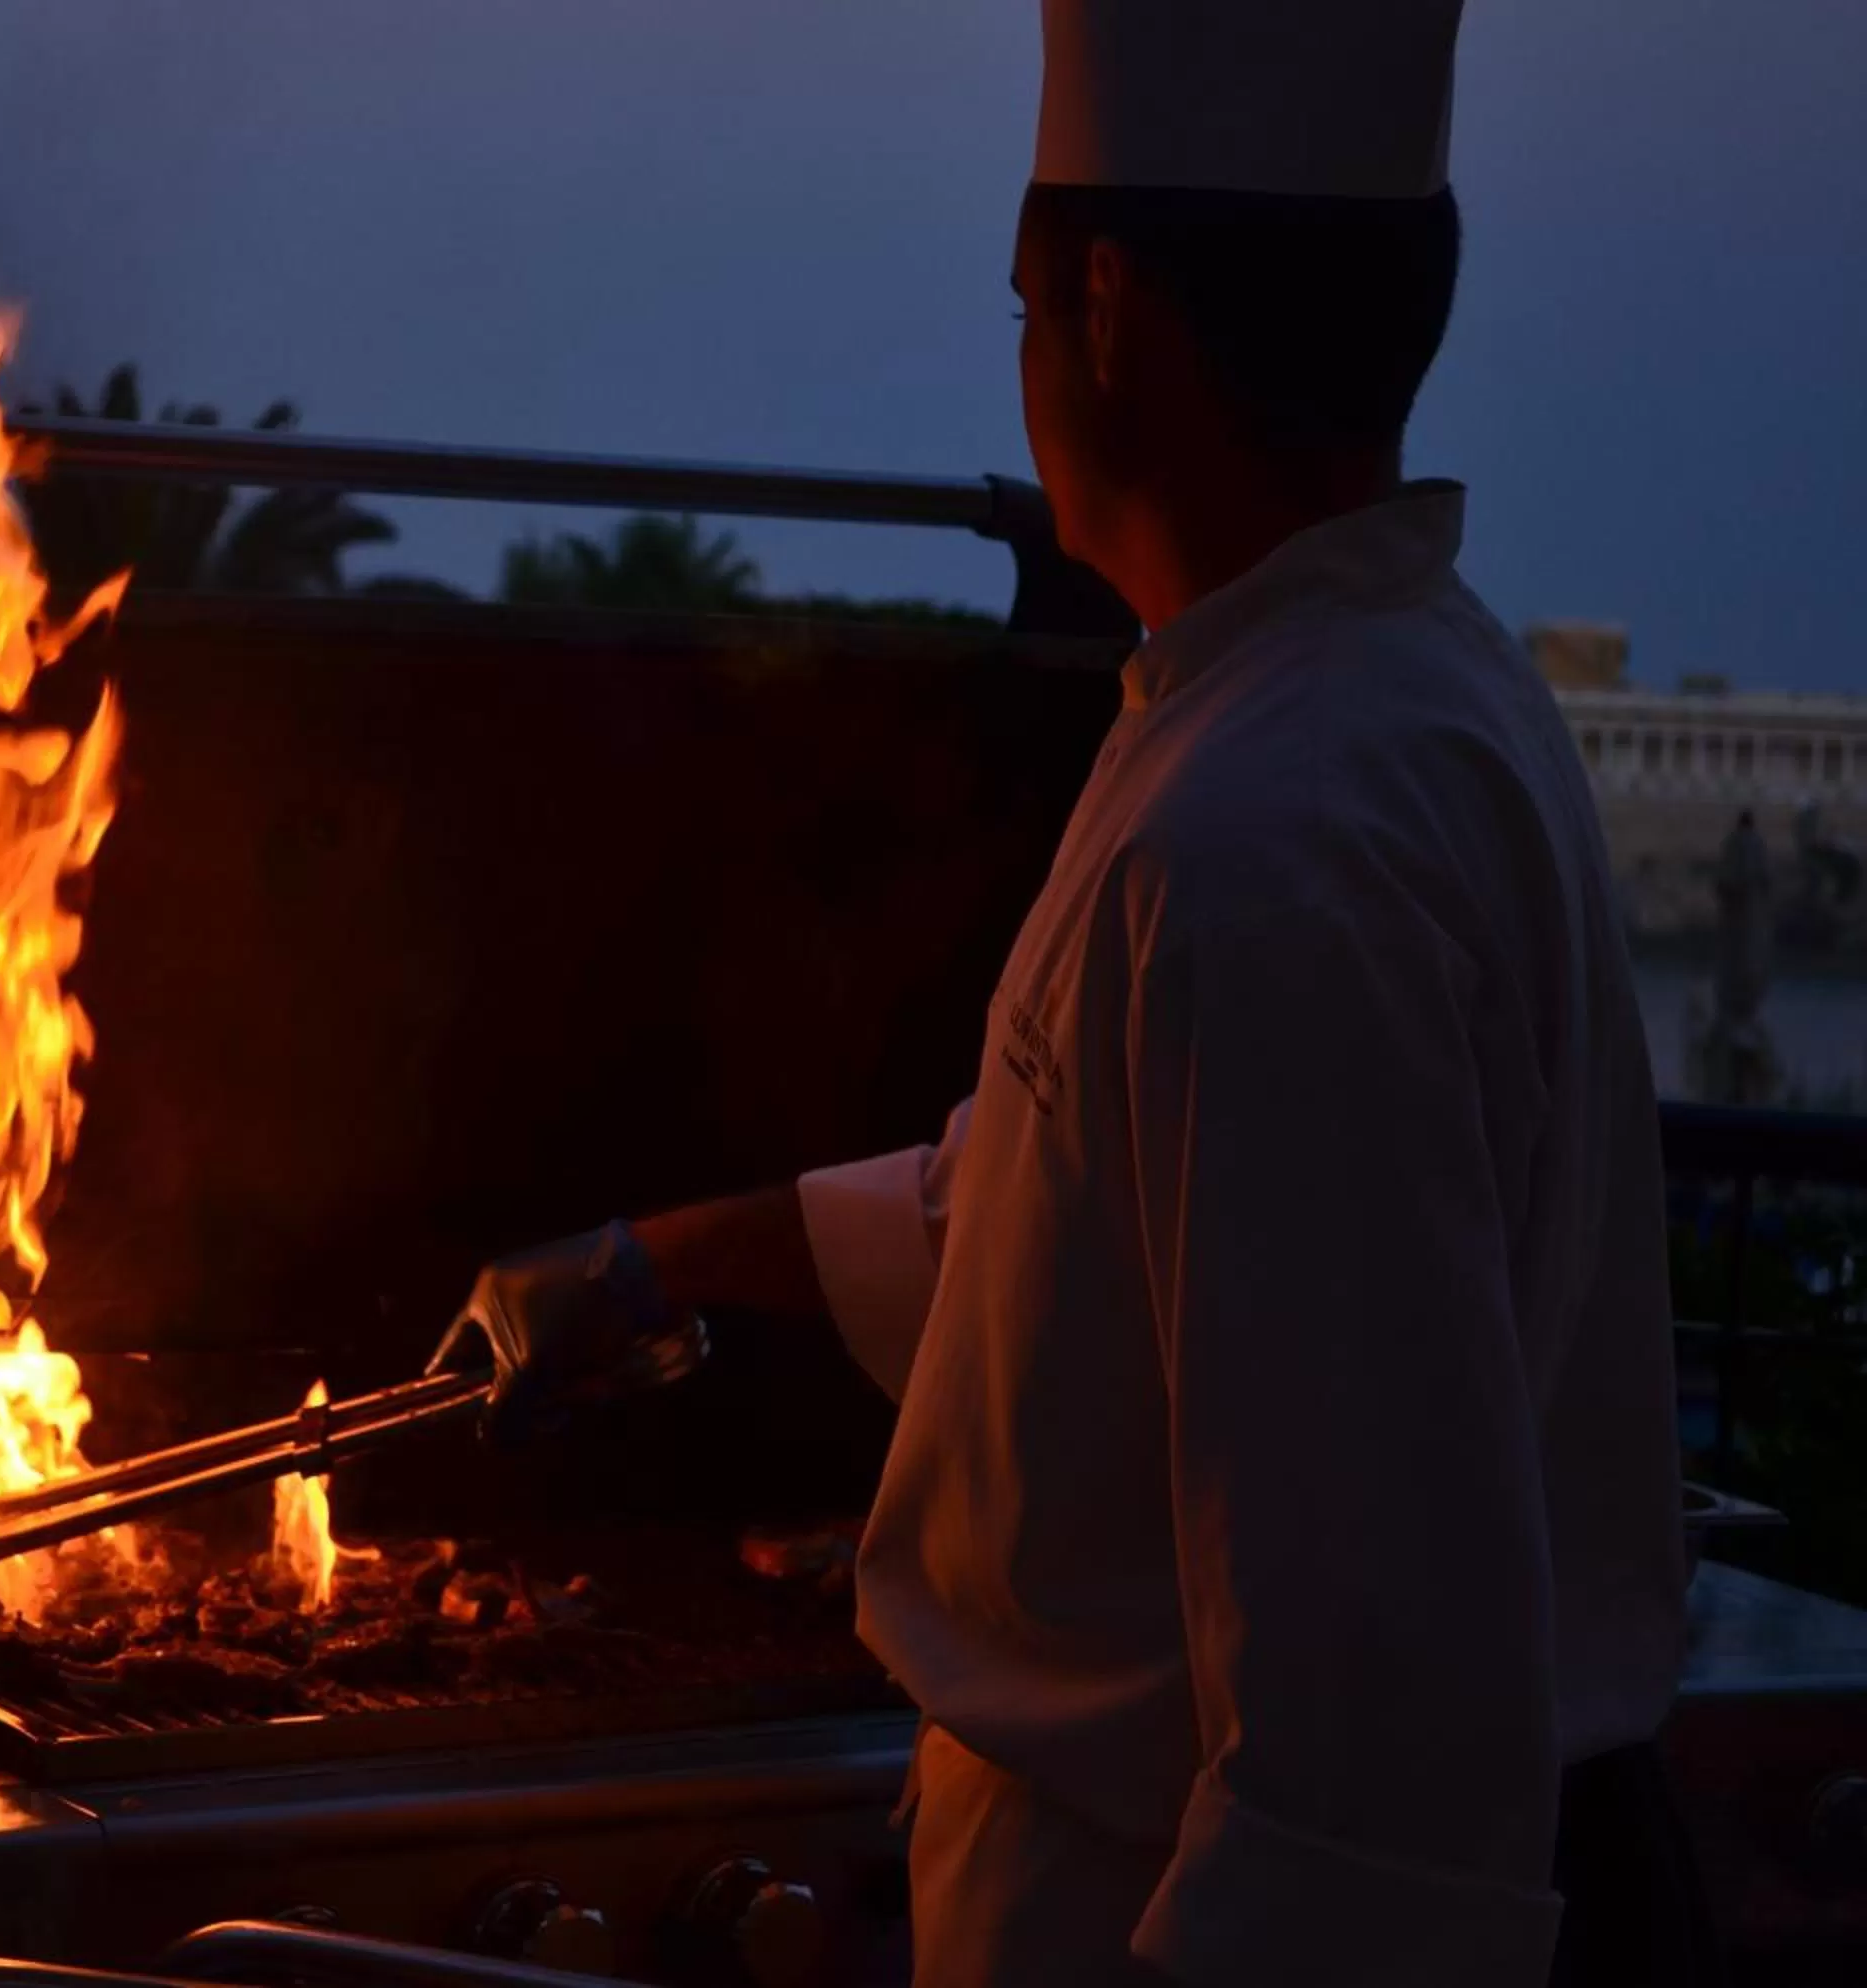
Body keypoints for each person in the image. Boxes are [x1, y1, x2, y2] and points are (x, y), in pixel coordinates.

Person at [429, 4, 1706, 1984]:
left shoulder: (1273, 843)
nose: (1022, 360)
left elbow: (1362, 1769)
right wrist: (662, 1257)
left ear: (1108, 306)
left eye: (1023, 307)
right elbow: (1061, 1213)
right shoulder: (1360, 698)